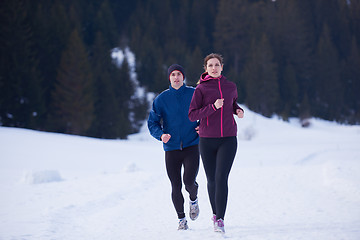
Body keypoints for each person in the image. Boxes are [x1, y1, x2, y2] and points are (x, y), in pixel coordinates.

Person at [188, 53, 244, 233]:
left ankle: (220, 218)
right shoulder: (201, 90)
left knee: (221, 178)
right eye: (210, 65)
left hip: (228, 138)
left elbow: (233, 104)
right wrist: (213, 107)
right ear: (205, 69)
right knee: (211, 179)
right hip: (206, 140)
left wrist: (238, 110)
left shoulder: (230, 87)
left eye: (217, 65)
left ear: (222, 67)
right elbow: (192, 115)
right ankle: (214, 213)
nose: (214, 68)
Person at [148, 64, 200, 230]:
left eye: (179, 74)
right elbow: (152, 123)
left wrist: (203, 125)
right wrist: (161, 135)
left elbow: (207, 112)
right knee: (175, 185)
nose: (176, 77)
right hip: (171, 148)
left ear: (183, 77)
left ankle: (193, 198)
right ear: (169, 78)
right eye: (173, 75)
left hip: (192, 144)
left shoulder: (194, 94)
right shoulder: (161, 99)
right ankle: (181, 220)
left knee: (189, 181)